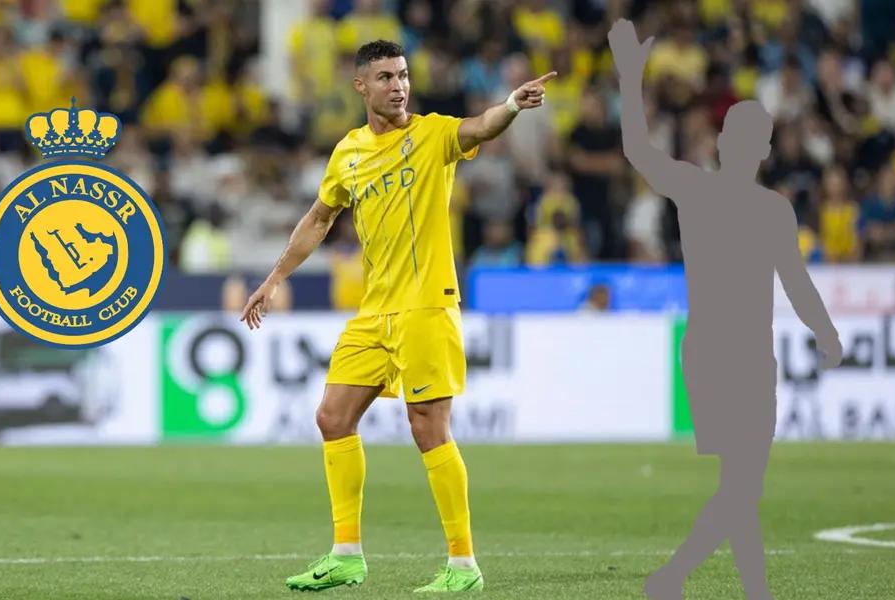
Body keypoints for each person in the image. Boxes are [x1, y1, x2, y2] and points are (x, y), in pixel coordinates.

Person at [239, 40, 554, 593]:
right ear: (361, 85)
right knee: (332, 418)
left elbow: (480, 128)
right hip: (374, 310)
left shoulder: (432, 134)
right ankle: (347, 555)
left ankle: (463, 565)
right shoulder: (348, 152)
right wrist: (273, 280)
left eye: (403, 75)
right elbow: (317, 220)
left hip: (428, 304)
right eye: (385, 76)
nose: (398, 85)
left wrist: (510, 104)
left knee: (428, 427)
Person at [609, 19, 842, 600]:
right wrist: (631, 78)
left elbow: (795, 281)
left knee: (741, 485)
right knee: (742, 485)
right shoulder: (753, 205)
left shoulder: (712, 194)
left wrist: (825, 330)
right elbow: (797, 283)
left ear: (748, 148)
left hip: (728, 354)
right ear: (752, 148)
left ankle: (727, 587)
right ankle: (673, 578)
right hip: (725, 355)